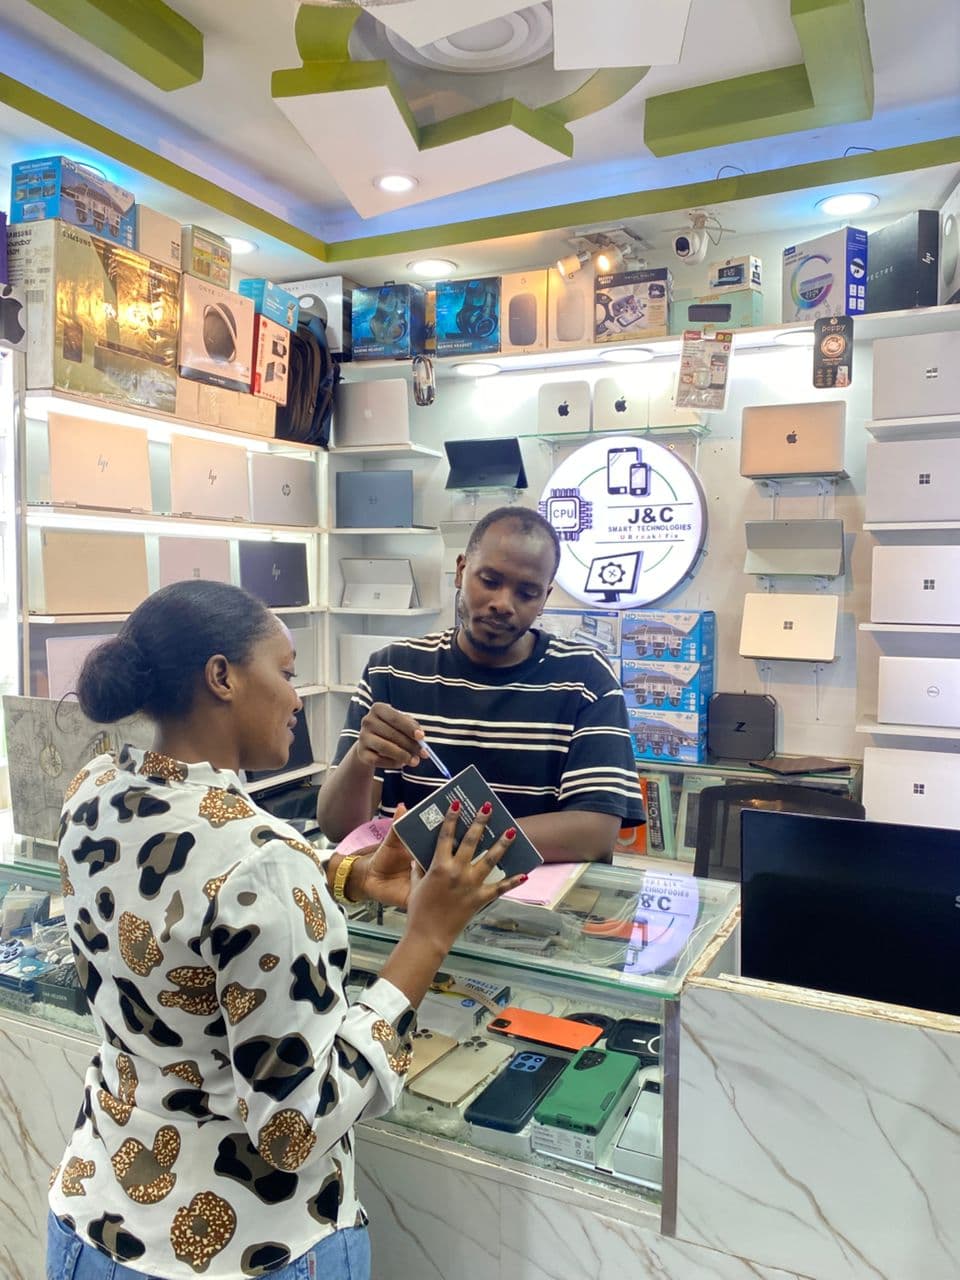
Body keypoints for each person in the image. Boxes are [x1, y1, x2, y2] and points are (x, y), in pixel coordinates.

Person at [47, 580, 523, 1280]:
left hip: (94, 1217)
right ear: (222, 677)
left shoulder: (92, 789)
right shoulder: (260, 862)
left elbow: (188, 896)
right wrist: (425, 938)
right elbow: (293, 1129)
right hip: (247, 1248)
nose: (299, 698)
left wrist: (343, 877)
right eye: (287, 671)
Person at [318, 507, 644, 862]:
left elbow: (594, 833)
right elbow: (339, 828)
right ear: (461, 571)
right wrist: (360, 759)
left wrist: (444, 847)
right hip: (404, 901)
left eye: (527, 593)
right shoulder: (392, 670)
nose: (503, 603)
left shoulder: (586, 677)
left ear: (544, 599)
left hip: (532, 907)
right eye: (489, 581)